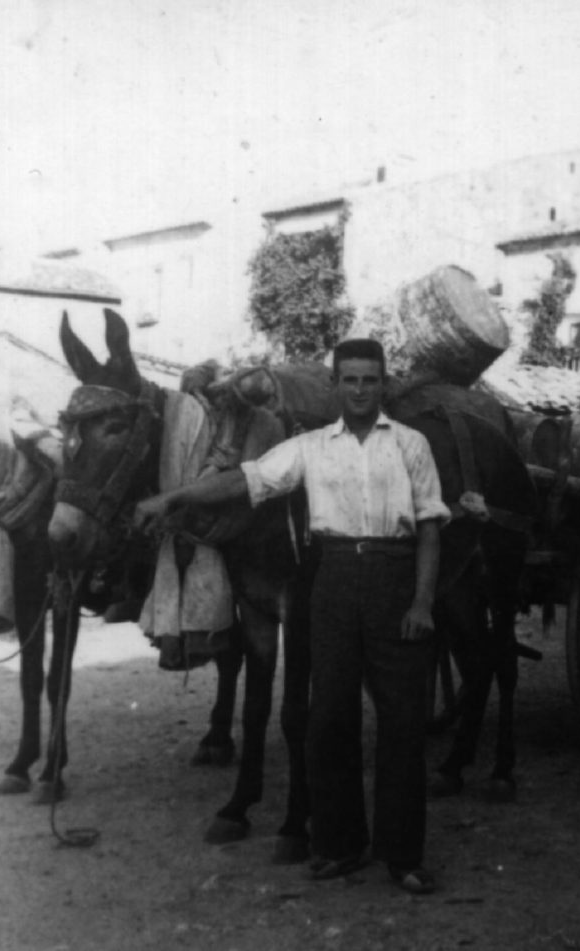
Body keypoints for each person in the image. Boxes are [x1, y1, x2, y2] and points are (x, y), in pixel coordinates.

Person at [133, 339, 449, 895]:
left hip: (394, 578)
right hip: (331, 579)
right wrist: (174, 498)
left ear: (382, 384)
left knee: (401, 722)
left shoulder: (410, 444)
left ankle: (402, 855)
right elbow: (246, 479)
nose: (359, 390)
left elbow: (428, 526)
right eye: (349, 380)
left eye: (369, 380)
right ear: (335, 386)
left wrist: (422, 602)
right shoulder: (309, 447)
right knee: (330, 719)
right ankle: (341, 845)